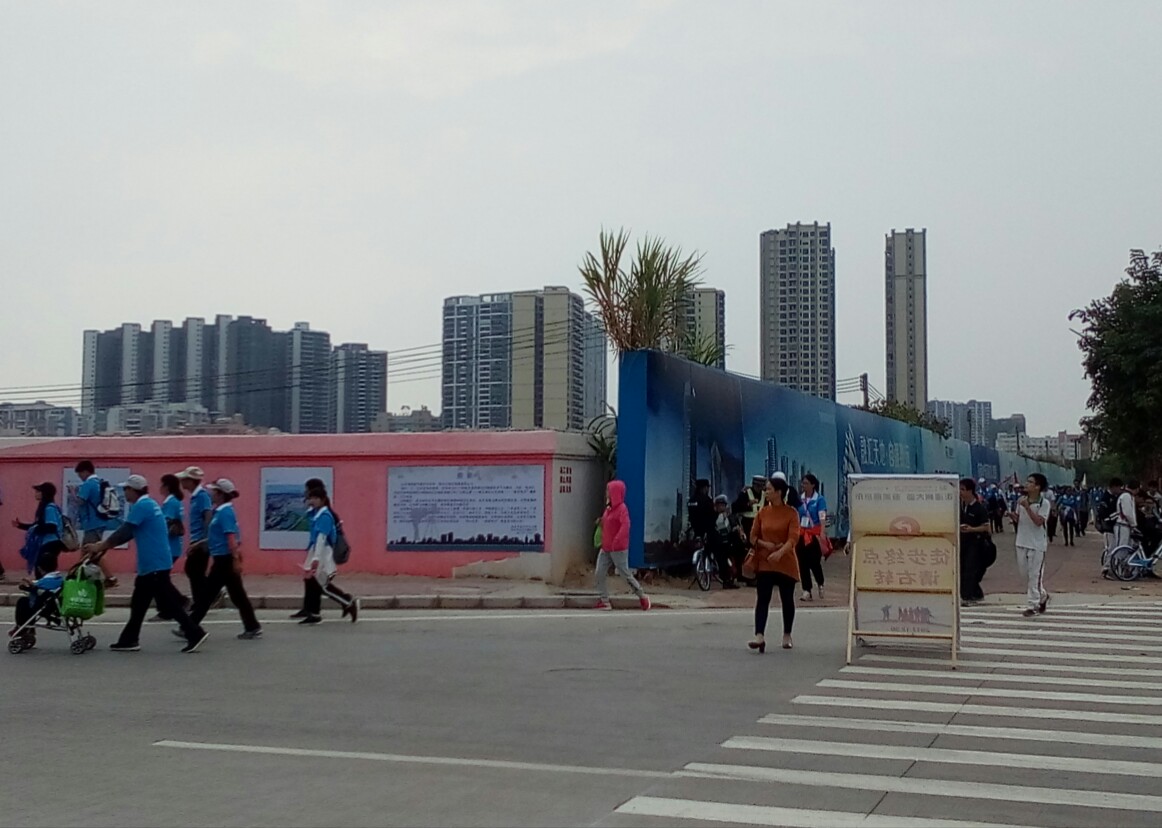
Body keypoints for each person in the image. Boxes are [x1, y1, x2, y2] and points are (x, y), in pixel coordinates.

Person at [82, 475, 208, 653]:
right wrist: (104, 546)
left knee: (169, 603)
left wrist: (100, 546)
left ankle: (194, 633)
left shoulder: (142, 506)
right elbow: (129, 532)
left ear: (134, 490)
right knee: (139, 603)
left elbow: (125, 532)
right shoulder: (149, 504)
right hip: (154, 563)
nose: (124, 492)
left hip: (154, 563)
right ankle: (129, 639)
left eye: (126, 489)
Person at [185, 479, 263, 639]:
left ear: (220, 494)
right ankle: (252, 626)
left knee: (208, 594)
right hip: (222, 558)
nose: (210, 494)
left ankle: (190, 626)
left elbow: (230, 537)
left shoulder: (225, 512)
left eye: (213, 491)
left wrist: (235, 559)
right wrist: (198, 544)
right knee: (237, 595)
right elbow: (217, 536)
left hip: (224, 560)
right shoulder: (219, 511)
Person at [292, 482, 360, 624]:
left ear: (322, 499)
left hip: (322, 552)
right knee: (312, 582)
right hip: (315, 551)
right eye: (310, 498)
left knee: (321, 585)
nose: (311, 500)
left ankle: (348, 602)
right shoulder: (316, 514)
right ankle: (313, 612)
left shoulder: (325, 516)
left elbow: (321, 538)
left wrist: (316, 558)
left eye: (314, 498)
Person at [748, 476, 801, 652]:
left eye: (769, 489)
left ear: (778, 492)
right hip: (766, 561)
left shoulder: (791, 513)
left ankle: (787, 634)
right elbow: (753, 537)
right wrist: (765, 545)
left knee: (787, 599)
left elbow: (793, 539)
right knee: (763, 598)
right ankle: (759, 635)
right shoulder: (763, 512)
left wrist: (780, 553)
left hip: (785, 561)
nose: (766, 492)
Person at [593, 480, 651, 611]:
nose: (607, 493)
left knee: (625, 574)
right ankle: (604, 600)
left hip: (618, 549)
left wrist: (617, 539)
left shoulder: (622, 509)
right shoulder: (609, 508)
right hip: (606, 547)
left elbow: (626, 525)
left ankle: (642, 596)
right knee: (599, 573)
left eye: (609, 490)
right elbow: (608, 523)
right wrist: (601, 522)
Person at [1010, 473, 1051, 618]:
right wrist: (1012, 516)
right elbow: (1019, 519)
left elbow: (1039, 522)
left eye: (1030, 482)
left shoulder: (1044, 503)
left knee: (1034, 575)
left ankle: (1033, 605)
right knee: (1025, 575)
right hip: (1021, 541)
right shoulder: (1021, 500)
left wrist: (1027, 507)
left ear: (1038, 486)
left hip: (1037, 544)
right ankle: (1043, 595)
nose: (1026, 484)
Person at [72, 460, 119, 586]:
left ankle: (109, 577)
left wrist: (73, 493)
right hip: (100, 521)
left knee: (91, 550)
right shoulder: (99, 482)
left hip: (91, 523)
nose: (80, 477)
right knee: (92, 551)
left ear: (85, 472)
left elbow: (80, 501)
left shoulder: (88, 484)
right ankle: (81, 575)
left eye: (80, 474)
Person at [149, 473, 189, 622]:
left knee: (159, 579)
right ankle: (170, 607)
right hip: (171, 546)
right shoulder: (174, 501)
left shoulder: (171, 503)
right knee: (160, 579)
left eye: (162, 485)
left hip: (168, 547)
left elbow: (165, 523)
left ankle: (174, 605)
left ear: (166, 486)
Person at [177, 466, 214, 606]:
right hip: (196, 539)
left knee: (194, 571)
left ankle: (203, 600)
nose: (182, 482)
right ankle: (204, 599)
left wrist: (204, 540)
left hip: (200, 540)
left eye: (184, 479)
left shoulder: (202, 496)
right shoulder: (195, 497)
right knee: (194, 571)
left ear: (192, 481)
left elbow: (207, 516)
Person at [12, 482, 65, 577]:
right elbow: (36, 525)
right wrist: (21, 525)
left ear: (44, 493)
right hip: (46, 543)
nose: (35, 494)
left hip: (51, 543)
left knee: (44, 571)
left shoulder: (49, 508)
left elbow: (51, 527)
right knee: (41, 570)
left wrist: (37, 530)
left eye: (38, 491)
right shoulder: (44, 507)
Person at [795, 473, 827, 602]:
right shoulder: (799, 499)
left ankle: (820, 582)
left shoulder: (819, 499)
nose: (803, 485)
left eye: (806, 483)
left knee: (814, 562)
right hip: (802, 534)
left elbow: (822, 516)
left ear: (813, 485)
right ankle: (806, 590)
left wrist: (823, 532)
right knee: (802, 563)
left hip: (814, 535)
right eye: (802, 483)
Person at [959, 478, 991, 604]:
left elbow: (986, 527)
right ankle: (974, 594)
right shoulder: (960, 506)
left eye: (962, 489)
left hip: (976, 544)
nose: (960, 492)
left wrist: (972, 529)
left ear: (970, 491)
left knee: (970, 570)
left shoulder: (979, 508)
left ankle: (968, 596)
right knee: (962, 569)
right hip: (963, 544)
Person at [707, 494, 741, 589]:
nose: (721, 507)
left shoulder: (729, 516)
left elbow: (732, 527)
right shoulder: (713, 517)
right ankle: (726, 580)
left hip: (728, 543)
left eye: (723, 505)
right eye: (719, 505)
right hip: (718, 544)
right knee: (722, 561)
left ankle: (733, 577)